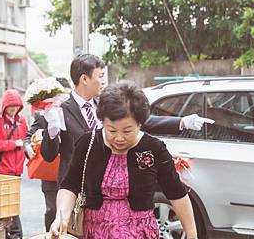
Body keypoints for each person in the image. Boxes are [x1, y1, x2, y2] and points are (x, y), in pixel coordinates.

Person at [51, 81, 201, 239]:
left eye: (127, 130)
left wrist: (192, 238)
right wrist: (61, 216)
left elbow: (177, 193)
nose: (119, 138)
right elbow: (69, 185)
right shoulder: (88, 144)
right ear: (103, 123)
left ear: (141, 124)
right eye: (111, 130)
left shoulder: (153, 149)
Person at [41, 54, 213, 184]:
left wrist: (183, 122)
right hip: (76, 186)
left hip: (108, 183)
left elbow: (140, 121)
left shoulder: (105, 103)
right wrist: (52, 131)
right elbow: (48, 156)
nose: (103, 81)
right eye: (100, 76)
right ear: (84, 79)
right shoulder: (60, 110)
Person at [24, 77, 72, 232]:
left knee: (70, 214)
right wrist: (27, 147)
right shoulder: (43, 115)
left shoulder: (74, 114)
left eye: (66, 97)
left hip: (69, 172)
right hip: (50, 173)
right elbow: (28, 136)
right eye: (60, 97)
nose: (62, 101)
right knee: (52, 210)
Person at [0, 89, 29, 239]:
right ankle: (13, 234)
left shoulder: (22, 121)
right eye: (11, 107)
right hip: (2, 169)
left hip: (16, 170)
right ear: (4, 106)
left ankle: (11, 234)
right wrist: (13, 144)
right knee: (5, 203)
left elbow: (26, 140)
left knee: (11, 202)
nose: (14, 110)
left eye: (17, 107)